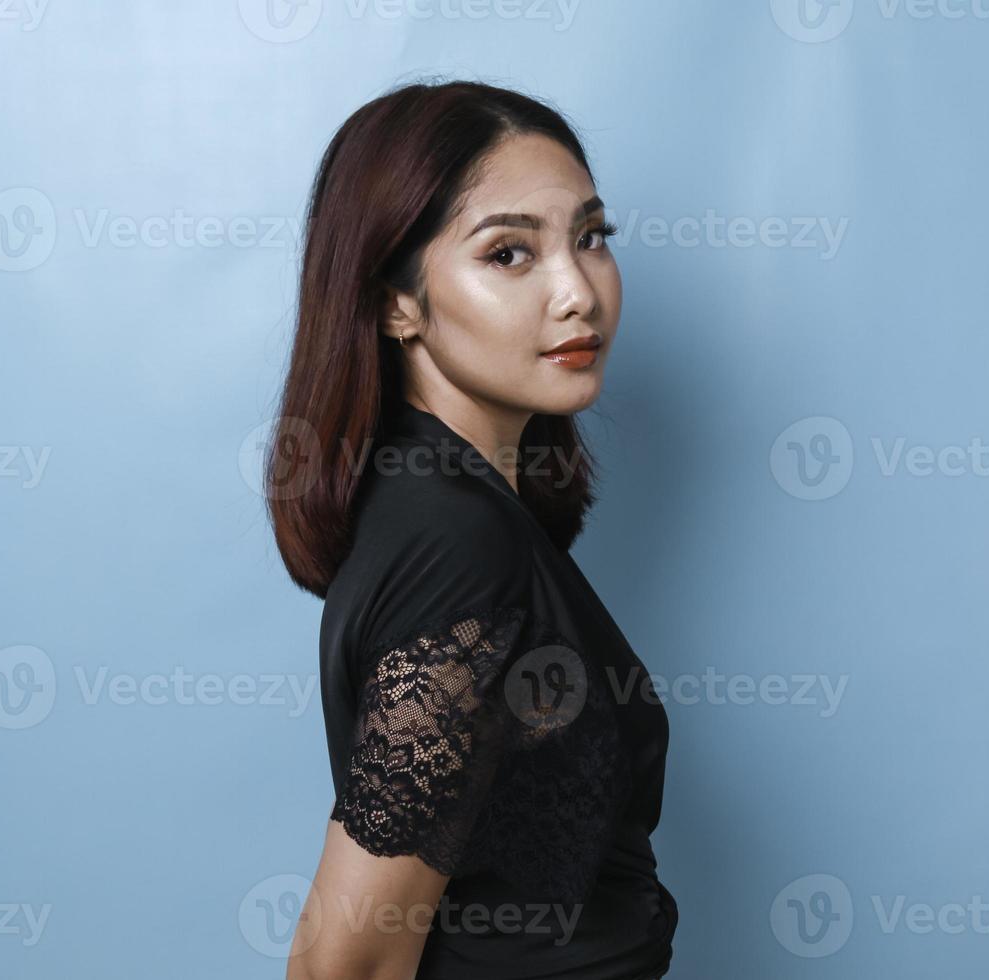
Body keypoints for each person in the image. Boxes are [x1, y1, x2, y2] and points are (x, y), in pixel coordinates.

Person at [264, 79, 678, 979]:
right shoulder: (456, 544)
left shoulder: (448, 510)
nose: (579, 292)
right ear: (395, 303)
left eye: (592, 239)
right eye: (508, 254)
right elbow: (346, 962)